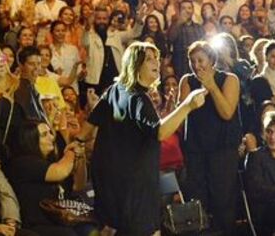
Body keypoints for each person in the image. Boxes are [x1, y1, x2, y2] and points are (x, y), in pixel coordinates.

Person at [88, 41, 208, 236]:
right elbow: (159, 132)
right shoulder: (138, 98)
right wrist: (187, 105)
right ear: (135, 64)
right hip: (135, 191)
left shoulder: (114, 90)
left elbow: (86, 131)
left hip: (111, 188)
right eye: (149, 59)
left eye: (157, 59)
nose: (156, 63)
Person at [177, 40, 242, 233]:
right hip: (196, 149)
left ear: (211, 60)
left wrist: (212, 87)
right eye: (192, 61)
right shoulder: (187, 81)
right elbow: (182, 114)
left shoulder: (229, 79)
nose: (196, 66)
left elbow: (227, 113)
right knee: (197, 199)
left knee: (223, 200)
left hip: (222, 149)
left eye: (200, 60)